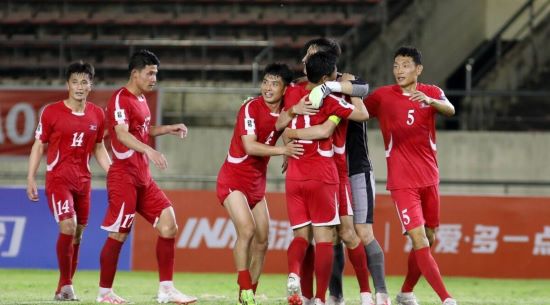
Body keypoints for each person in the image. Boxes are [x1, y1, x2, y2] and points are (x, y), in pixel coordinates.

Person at [281, 37, 391, 305]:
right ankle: (333, 295)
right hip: (327, 168)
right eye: (306, 54)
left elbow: (363, 92)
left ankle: (376, 293)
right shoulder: (301, 88)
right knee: (332, 234)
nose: (306, 59)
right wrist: (287, 143)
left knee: (354, 233)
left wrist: (291, 132)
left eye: (312, 54)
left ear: (329, 60)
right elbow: (288, 119)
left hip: (353, 167)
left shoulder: (347, 83)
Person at [96, 49, 196, 304]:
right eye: (150, 73)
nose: (154, 78)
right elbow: (121, 133)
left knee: (168, 224)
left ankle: (166, 289)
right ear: (135, 73)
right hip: (123, 175)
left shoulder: (141, 100)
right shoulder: (120, 98)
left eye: (156, 73)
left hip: (142, 176)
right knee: (119, 233)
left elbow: (141, 129)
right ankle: (104, 293)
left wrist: (166, 129)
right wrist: (149, 149)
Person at [364, 46, 457, 305]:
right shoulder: (383, 96)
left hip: (430, 178)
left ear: (418, 69)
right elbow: (358, 113)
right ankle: (446, 299)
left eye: (405, 65)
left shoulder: (431, 92)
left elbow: (450, 109)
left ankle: (405, 292)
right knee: (418, 238)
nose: (399, 70)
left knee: (429, 237)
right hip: (402, 182)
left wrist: (432, 102)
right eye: (396, 65)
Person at [216, 63, 304, 305]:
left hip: (256, 183)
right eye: (265, 81)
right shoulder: (250, 107)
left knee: (264, 240)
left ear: (285, 88)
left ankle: (248, 296)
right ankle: (244, 286)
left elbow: (283, 126)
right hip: (233, 179)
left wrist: (286, 147)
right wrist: (283, 149)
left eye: (275, 83)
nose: (267, 87)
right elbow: (250, 146)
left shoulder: (285, 110)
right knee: (247, 230)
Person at [26, 61, 111, 301]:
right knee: (68, 226)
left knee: (78, 235)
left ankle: (63, 288)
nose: (79, 86)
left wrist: (113, 172)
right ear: (67, 85)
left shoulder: (97, 114)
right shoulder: (51, 112)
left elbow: (99, 147)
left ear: (91, 85)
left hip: (83, 181)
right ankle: (66, 284)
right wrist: (30, 177)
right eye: (75, 81)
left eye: (84, 81)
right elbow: (38, 145)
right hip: (58, 179)